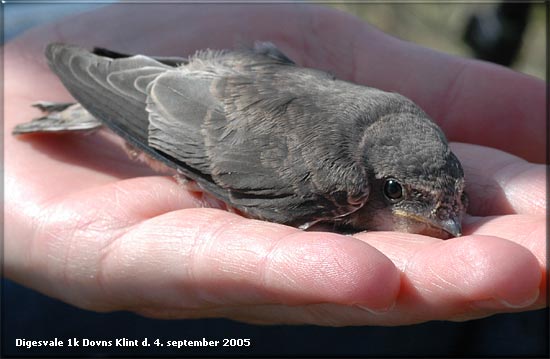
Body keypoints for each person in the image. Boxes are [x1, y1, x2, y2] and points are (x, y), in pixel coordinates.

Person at [5, 3, 545, 328]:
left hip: (224, 85)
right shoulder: (331, 182)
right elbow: (183, 133)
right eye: (402, 193)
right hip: (169, 117)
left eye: (455, 202)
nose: (449, 225)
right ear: (372, 182)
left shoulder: (404, 123)